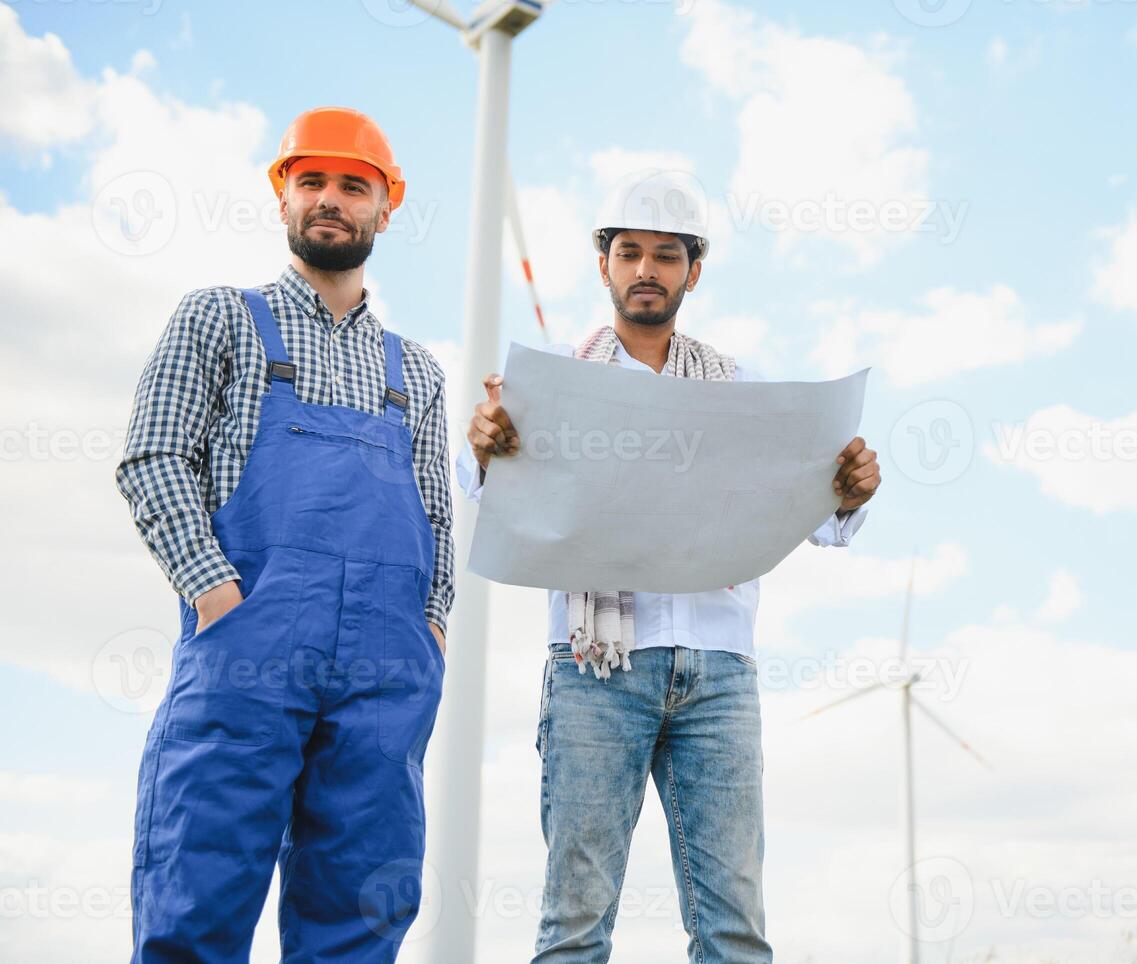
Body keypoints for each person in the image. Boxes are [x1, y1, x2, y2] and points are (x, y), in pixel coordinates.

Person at [459, 170, 881, 963]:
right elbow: (479, 497)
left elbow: (819, 516)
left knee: (733, 929)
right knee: (574, 925)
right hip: (595, 672)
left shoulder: (741, 389)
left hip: (719, 671)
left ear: (693, 269)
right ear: (604, 265)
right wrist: (488, 449)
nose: (646, 269)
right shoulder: (547, 384)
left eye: (664, 255)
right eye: (629, 253)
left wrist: (849, 490)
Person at [116, 106, 454, 962]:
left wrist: (433, 625)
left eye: (353, 185)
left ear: (388, 205)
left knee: (361, 909)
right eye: (311, 182)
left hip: (384, 668)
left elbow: (440, 516)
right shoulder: (220, 318)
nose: (329, 200)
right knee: (199, 888)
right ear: (283, 196)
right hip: (247, 648)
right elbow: (153, 458)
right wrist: (215, 594)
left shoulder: (415, 370)